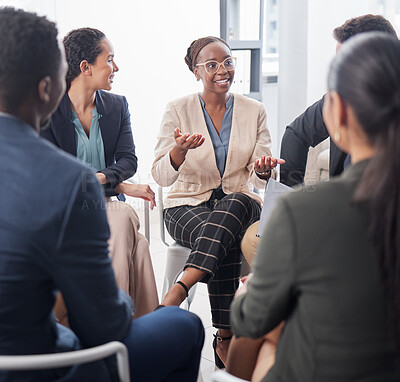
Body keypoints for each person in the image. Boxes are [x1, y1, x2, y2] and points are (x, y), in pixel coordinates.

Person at [0, 7, 204, 382]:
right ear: (49, 88)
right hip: (45, 368)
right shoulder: (65, 183)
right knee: (184, 323)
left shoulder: (112, 110)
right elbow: (104, 327)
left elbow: (127, 160)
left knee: (137, 243)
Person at [229, 32, 400, 381]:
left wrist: (248, 291)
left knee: (262, 337)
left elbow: (249, 318)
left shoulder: (302, 213)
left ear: (338, 112)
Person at [152, 35, 283, 367]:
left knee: (236, 202)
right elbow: (161, 176)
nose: (222, 70)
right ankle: (224, 337)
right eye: (211, 65)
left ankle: (177, 292)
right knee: (220, 236)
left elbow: (257, 174)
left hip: (241, 202)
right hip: (186, 205)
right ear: (197, 71)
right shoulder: (177, 109)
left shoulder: (255, 110)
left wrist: (263, 170)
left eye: (227, 61)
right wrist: (178, 152)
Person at [240, 14, 398, 266]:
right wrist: (291, 191)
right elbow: (296, 133)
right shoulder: (340, 98)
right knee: (256, 238)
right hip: (343, 220)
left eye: (346, 63)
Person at [41, 27, 159, 318]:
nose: (115, 67)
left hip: (101, 202)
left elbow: (128, 161)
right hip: (64, 209)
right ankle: (119, 325)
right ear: (85, 67)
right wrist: (122, 187)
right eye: (110, 59)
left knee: (126, 228)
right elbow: (54, 178)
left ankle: (119, 330)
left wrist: (102, 179)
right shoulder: (48, 112)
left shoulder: (117, 106)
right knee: (136, 241)